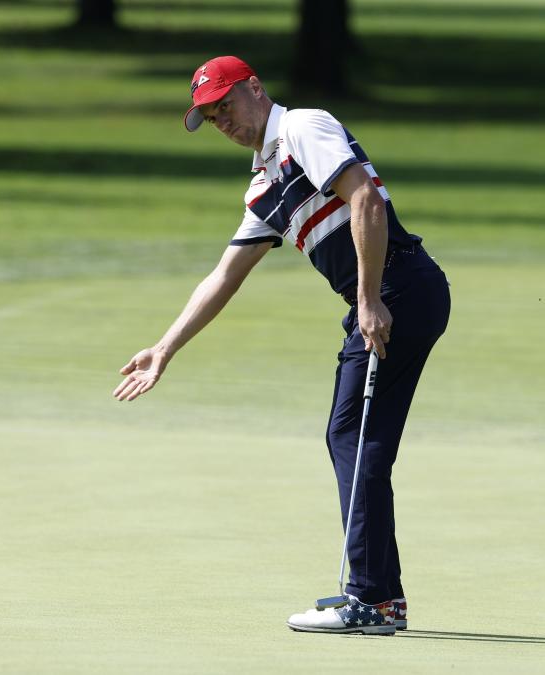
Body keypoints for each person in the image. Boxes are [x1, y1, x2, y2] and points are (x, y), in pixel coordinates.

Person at [113, 56, 450, 636]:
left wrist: (369, 300)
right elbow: (223, 276)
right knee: (351, 436)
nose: (225, 121)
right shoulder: (265, 185)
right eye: (213, 117)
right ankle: (379, 597)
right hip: (386, 294)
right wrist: (164, 348)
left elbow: (364, 199)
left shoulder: (303, 128)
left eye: (227, 105)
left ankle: (372, 600)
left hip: (397, 289)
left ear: (254, 88)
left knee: (355, 438)